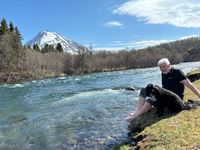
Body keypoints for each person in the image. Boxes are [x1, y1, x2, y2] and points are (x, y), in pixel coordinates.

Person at [127, 58, 200, 122]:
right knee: (143, 90)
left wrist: (199, 95)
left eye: (164, 66)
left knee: (149, 100)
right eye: (160, 67)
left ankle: (135, 116)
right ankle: (137, 111)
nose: (162, 69)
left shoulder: (178, 73)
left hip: (174, 100)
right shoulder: (164, 73)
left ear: (169, 65)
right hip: (165, 97)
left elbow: (190, 85)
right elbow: (164, 88)